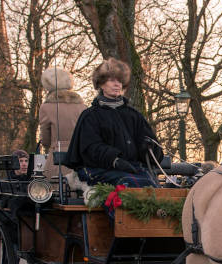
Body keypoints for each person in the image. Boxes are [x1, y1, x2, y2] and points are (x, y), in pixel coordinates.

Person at [66, 58, 162, 186]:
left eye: (119, 81)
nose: (117, 84)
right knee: (128, 184)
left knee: (152, 186)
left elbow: (153, 149)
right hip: (102, 170)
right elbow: (91, 148)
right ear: (101, 84)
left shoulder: (134, 116)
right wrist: (115, 160)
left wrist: (148, 148)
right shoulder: (91, 116)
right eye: (112, 80)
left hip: (133, 169)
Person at [39, 67, 86, 179]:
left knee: (57, 191)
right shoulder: (82, 107)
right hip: (80, 158)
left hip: (58, 158)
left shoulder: (47, 107)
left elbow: (45, 141)